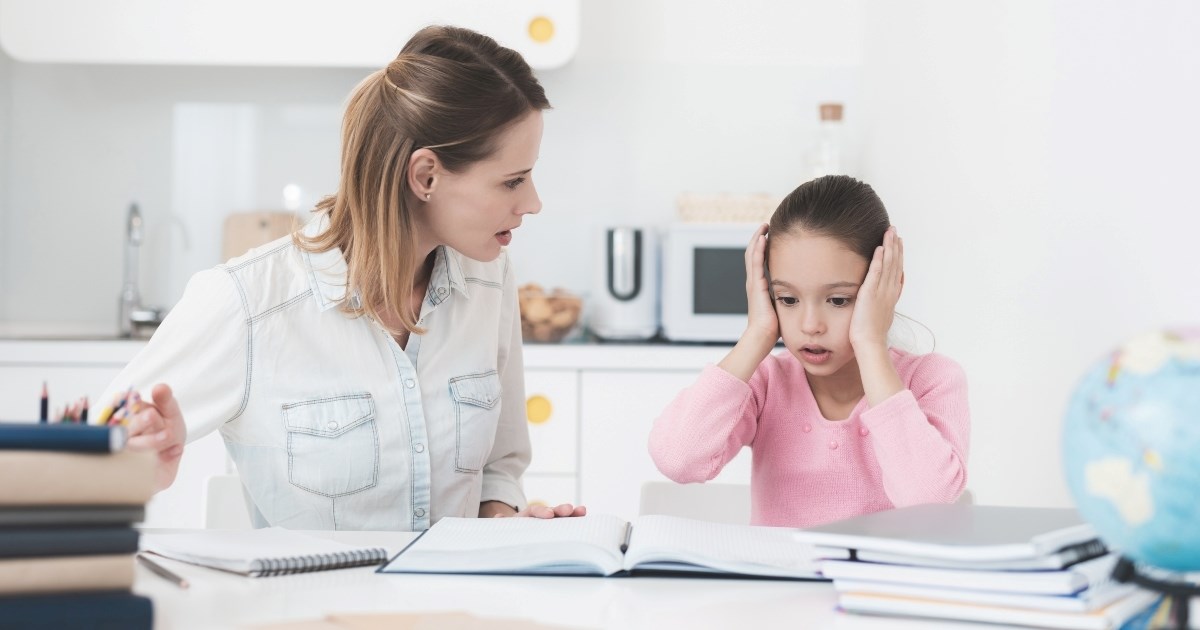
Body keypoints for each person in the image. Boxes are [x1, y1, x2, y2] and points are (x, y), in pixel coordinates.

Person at [101, 25, 585, 530]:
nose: (532, 203)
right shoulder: (249, 303)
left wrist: (508, 522)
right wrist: (143, 466)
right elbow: (94, 457)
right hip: (308, 608)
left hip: (456, 608)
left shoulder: (489, 279)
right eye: (512, 180)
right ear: (425, 176)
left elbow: (498, 469)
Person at [648, 175, 969, 528]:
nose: (810, 324)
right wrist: (757, 335)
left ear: (888, 289)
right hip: (778, 583)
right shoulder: (766, 383)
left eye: (838, 300)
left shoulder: (932, 380)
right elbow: (678, 459)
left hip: (880, 585)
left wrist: (871, 344)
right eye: (788, 299)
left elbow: (930, 502)